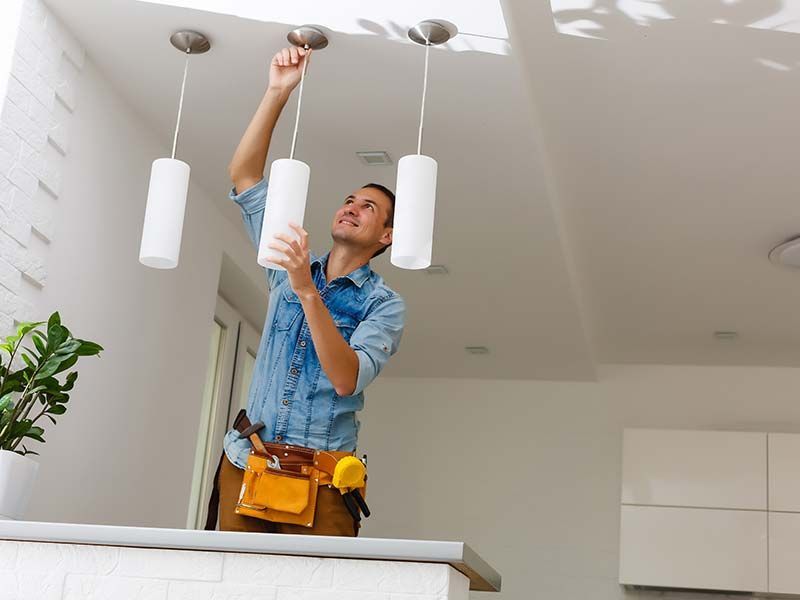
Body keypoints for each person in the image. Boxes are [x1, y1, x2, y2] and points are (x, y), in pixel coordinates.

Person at [208, 45, 405, 536]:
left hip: (325, 478)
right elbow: (246, 176)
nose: (352, 207)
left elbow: (345, 378)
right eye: (349, 200)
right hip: (247, 461)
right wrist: (277, 91)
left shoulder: (383, 304)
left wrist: (306, 291)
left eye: (369, 208)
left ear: (386, 237)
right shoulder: (287, 261)